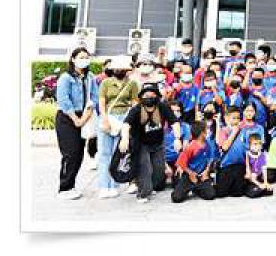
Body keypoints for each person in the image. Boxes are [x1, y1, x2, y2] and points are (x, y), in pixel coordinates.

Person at [119, 83, 183, 203]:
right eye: (146, 95)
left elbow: (174, 122)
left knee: (159, 170)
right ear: (141, 97)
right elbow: (126, 124)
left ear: (157, 96)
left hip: (158, 143)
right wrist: (125, 138)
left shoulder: (162, 107)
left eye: (152, 95)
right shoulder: (137, 109)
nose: (149, 98)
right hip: (141, 144)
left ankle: (149, 186)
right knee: (145, 169)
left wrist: (177, 138)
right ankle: (143, 193)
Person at [54, 47, 98, 200]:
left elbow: (94, 97)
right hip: (67, 118)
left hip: (84, 115)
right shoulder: (66, 78)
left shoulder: (90, 77)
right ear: (73, 59)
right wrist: (75, 119)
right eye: (81, 57)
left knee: (79, 154)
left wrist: (85, 117)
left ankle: (71, 185)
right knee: (70, 153)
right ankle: (64, 188)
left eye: (86, 57)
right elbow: (63, 100)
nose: (84, 60)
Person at [96, 55, 138, 198]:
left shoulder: (132, 84)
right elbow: (102, 103)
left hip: (124, 118)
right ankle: (103, 186)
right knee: (104, 153)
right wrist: (104, 119)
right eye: (117, 68)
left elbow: (134, 104)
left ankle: (114, 185)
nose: (119, 70)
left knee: (117, 154)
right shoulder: (105, 83)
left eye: (122, 68)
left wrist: (130, 122)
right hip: (108, 116)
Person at [171, 121, 217, 203]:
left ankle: (196, 189)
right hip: (189, 175)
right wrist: (191, 174)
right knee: (176, 198)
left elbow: (210, 159)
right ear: (202, 133)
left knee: (211, 195)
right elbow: (181, 163)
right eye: (206, 129)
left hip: (202, 175)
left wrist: (206, 171)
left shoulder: (208, 143)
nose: (208, 131)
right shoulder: (190, 146)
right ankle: (186, 188)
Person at [215, 106, 248, 198]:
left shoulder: (243, 131)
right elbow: (224, 147)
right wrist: (234, 132)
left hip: (240, 165)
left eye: (238, 118)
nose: (236, 121)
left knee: (237, 193)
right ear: (226, 118)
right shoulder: (223, 131)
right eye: (233, 118)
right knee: (221, 193)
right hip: (226, 166)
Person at [244, 133, 273, 198]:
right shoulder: (247, 154)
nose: (257, 146)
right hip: (251, 178)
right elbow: (248, 170)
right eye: (255, 144)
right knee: (251, 193)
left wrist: (265, 183)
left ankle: (261, 188)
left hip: (259, 176)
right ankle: (258, 189)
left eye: (259, 144)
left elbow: (264, 169)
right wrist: (259, 184)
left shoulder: (262, 155)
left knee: (270, 190)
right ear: (249, 145)